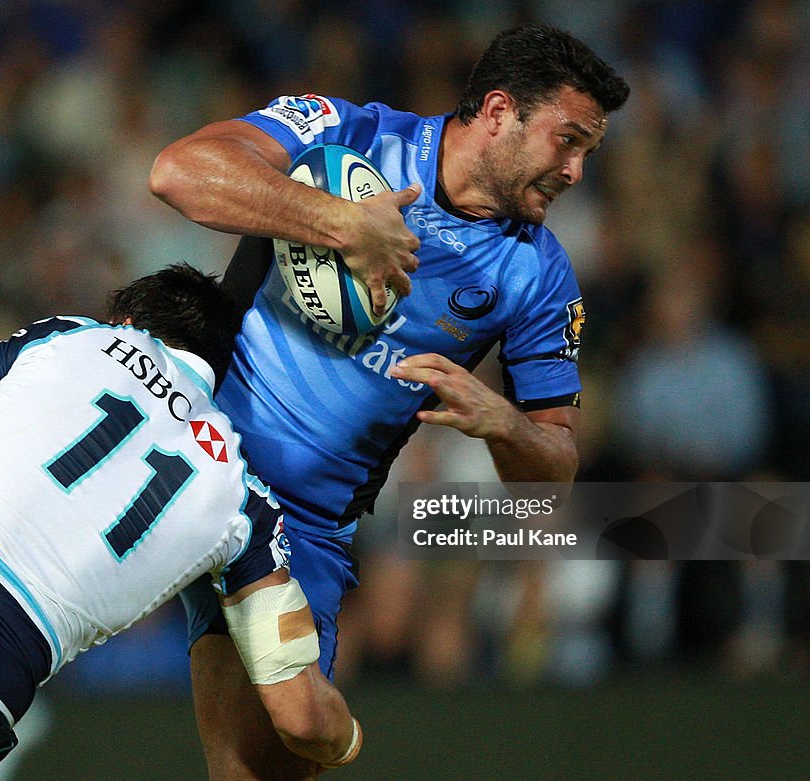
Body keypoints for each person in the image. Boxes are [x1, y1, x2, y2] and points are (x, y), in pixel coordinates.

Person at [149, 23, 630, 780]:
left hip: (300, 525)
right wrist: (340, 222)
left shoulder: (541, 277)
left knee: (270, 759)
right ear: (500, 112)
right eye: (567, 141)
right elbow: (179, 172)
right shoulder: (350, 133)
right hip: (181, 448)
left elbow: (553, 480)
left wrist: (502, 421)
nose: (575, 170)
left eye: (587, 153)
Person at [0, 264, 362, 781]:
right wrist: (350, 740)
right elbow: (301, 716)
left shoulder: (71, 338)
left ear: (127, 321)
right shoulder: (244, 500)